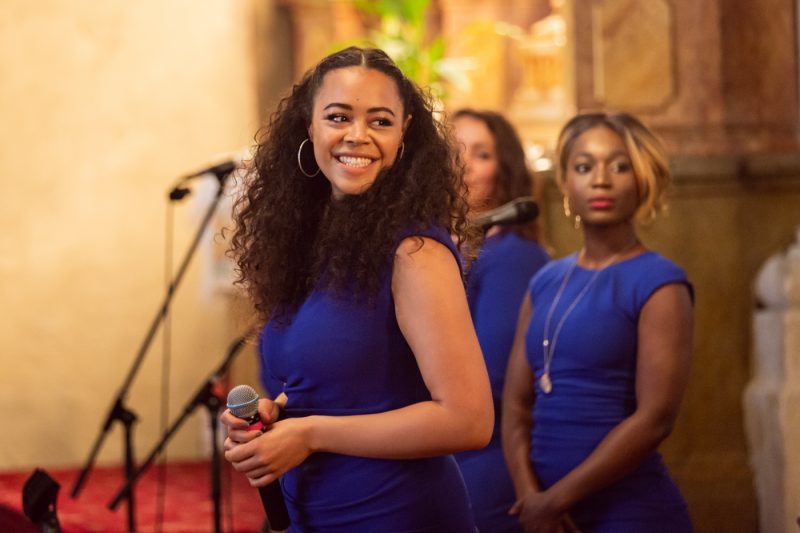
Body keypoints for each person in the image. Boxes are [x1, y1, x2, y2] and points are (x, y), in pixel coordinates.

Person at [220, 46, 493, 532]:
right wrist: (273, 417)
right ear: (309, 126)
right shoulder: (306, 244)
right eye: (338, 117)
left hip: (395, 515)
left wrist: (311, 434)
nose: (357, 135)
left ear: (405, 133)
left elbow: (468, 421)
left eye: (380, 121)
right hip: (314, 513)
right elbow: (332, 388)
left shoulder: (414, 252)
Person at [502, 112, 694, 533]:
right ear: (565, 183)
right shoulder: (544, 281)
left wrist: (556, 500)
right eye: (584, 166)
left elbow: (656, 418)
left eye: (619, 166)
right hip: (547, 515)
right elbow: (516, 407)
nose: (601, 180)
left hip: (630, 513)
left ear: (641, 180)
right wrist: (531, 497)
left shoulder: (660, 283)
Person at [451, 109, 549, 532]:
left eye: (481, 154)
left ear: (504, 171)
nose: (462, 165)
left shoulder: (512, 256)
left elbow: (492, 378)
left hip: (480, 465)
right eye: (452, 150)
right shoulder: (443, 247)